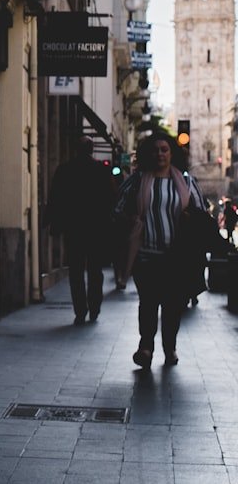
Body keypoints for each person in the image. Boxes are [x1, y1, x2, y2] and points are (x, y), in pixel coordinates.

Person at [114, 132, 207, 369]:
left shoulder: (186, 182)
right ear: (148, 153)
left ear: (172, 153)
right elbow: (119, 208)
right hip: (145, 255)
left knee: (172, 305)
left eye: (164, 149)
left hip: (176, 256)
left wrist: (190, 218)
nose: (160, 154)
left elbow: (200, 213)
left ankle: (170, 347)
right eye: (155, 150)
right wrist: (131, 219)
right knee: (148, 302)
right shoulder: (138, 181)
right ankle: (145, 347)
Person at [47, 135, 118, 325]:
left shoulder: (65, 170)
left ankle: (80, 310)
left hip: (74, 228)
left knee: (76, 271)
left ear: (76, 149)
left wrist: (52, 222)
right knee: (95, 270)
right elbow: (112, 198)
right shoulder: (102, 170)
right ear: (92, 149)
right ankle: (94, 307)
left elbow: (56, 198)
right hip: (96, 228)